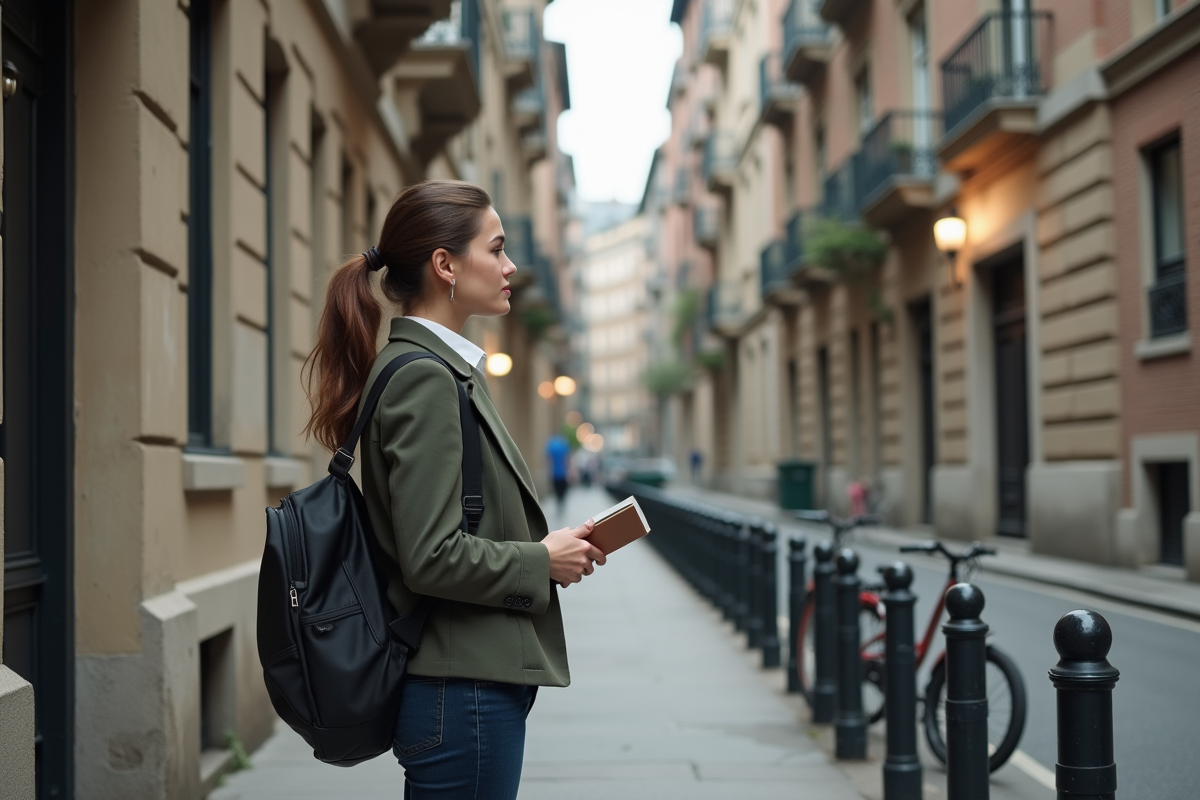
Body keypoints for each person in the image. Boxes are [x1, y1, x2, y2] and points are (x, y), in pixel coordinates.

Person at [303, 181, 606, 799]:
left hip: (465, 686)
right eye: (495, 249)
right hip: (461, 691)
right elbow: (431, 556)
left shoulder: (439, 370)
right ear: (445, 264)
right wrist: (541, 559)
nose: (510, 266)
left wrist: (544, 547)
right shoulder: (425, 379)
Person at [546, 433, 571, 518]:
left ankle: (558, 503)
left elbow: (549, 460)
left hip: (554, 473)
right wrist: (569, 471)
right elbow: (567, 459)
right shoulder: (564, 445)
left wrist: (550, 472)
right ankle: (561, 503)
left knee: (557, 490)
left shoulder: (551, 445)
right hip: (563, 473)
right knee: (563, 490)